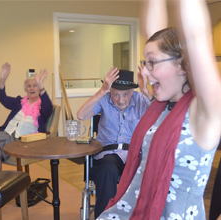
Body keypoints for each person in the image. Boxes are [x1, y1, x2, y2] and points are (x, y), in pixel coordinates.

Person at [97, 0, 221, 219]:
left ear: (183, 65)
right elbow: (154, 34)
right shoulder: (163, 106)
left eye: (152, 63)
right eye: (145, 63)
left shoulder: (203, 112)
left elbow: (195, 36)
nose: (144, 72)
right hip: (135, 209)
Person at [77, 67, 150, 219]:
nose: (120, 99)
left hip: (134, 155)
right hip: (107, 155)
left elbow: (161, 116)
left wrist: (146, 92)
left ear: (132, 92)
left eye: (125, 94)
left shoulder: (140, 100)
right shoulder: (104, 99)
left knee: (145, 171)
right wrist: (103, 90)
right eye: (116, 94)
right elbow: (81, 115)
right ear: (110, 91)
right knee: (107, 169)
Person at [0, 62, 53, 172]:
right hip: (6, 134)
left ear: (39, 89)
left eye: (35, 85)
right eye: (29, 86)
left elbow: (49, 109)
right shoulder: (19, 102)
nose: (31, 88)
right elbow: (3, 99)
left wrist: (42, 88)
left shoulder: (42, 106)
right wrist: (2, 80)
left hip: (24, 141)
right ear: (25, 89)